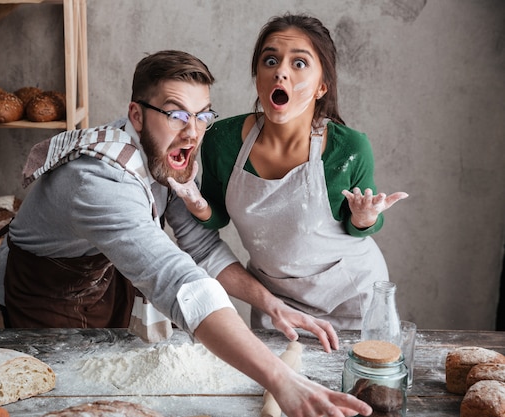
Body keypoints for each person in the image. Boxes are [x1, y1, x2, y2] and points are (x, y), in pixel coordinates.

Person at [0, 49, 372, 417]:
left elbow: (201, 247)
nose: (192, 132)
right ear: (135, 116)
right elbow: (178, 280)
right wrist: (280, 379)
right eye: (175, 114)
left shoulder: (167, 154)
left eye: (202, 115)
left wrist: (272, 304)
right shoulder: (98, 182)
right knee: (65, 392)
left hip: (108, 272)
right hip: (45, 287)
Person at [169, 14, 408, 331]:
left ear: (322, 86)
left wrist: (366, 217)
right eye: (270, 60)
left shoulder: (349, 148)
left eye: (299, 64)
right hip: (275, 299)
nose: (280, 71)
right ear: (257, 76)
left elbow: (360, 228)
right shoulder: (220, 141)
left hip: (352, 299)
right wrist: (195, 203)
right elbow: (218, 216)